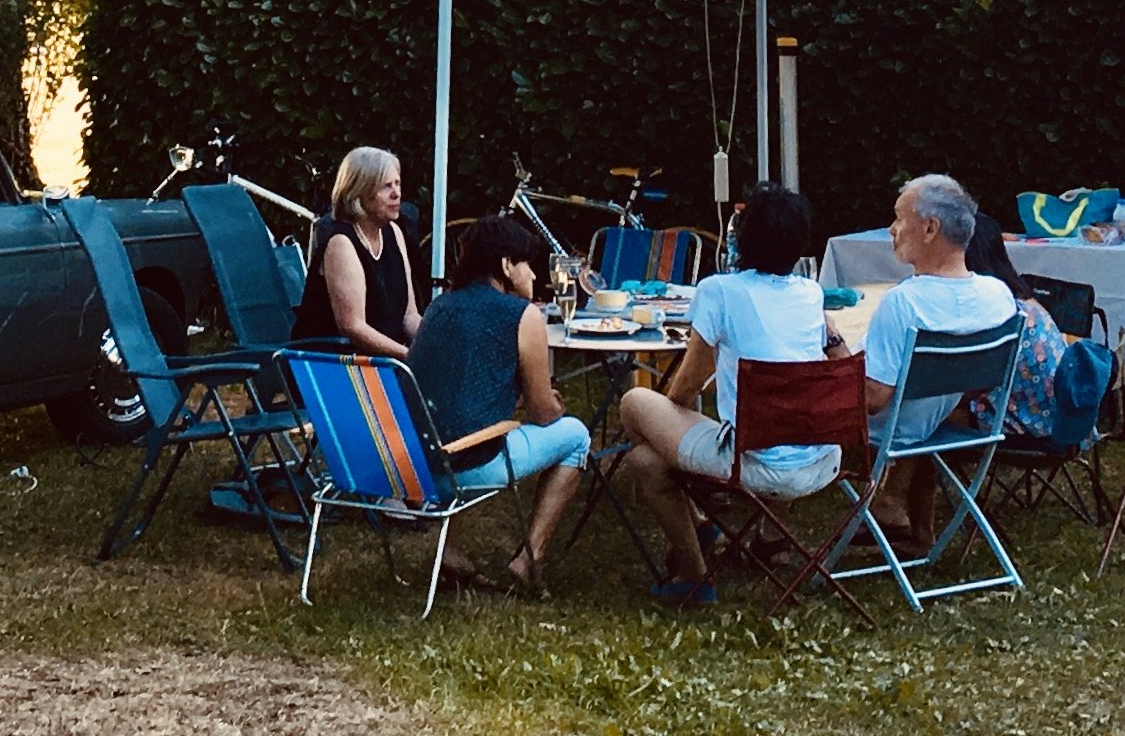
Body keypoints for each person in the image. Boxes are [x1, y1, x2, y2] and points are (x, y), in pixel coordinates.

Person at [615, 184, 842, 602]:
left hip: (758, 459)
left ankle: (698, 560)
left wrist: (671, 420)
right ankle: (708, 541)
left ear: (742, 238)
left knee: (635, 403)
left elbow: (685, 387)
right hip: (821, 456)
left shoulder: (720, 290)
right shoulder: (812, 294)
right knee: (646, 461)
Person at [408, 213, 590, 596]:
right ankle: (530, 559)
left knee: (457, 417)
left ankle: (452, 553)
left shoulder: (440, 307)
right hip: (467, 464)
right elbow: (542, 413)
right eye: (528, 266)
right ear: (507, 265)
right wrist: (554, 405)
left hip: (415, 465)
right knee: (575, 436)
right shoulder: (523, 315)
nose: (535, 277)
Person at [860, 173, 1018, 536]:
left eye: (899, 218)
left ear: (930, 228)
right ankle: (916, 530)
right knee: (917, 405)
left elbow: (874, 399)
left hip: (888, 427)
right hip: (938, 420)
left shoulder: (905, 302)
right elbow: (983, 384)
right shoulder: (997, 295)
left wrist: (831, 349)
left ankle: (768, 531)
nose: (891, 229)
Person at [294, 144, 424, 357]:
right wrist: (409, 356)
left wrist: (435, 347)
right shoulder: (341, 243)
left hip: (381, 357)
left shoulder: (393, 232)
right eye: (385, 186)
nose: (396, 194)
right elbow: (353, 327)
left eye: (397, 184)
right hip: (333, 360)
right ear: (360, 193)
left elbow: (409, 316)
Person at [964, 218, 1081, 437]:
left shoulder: (993, 312)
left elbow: (974, 383)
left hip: (1026, 425)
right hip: (1060, 420)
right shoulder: (1021, 300)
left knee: (914, 422)